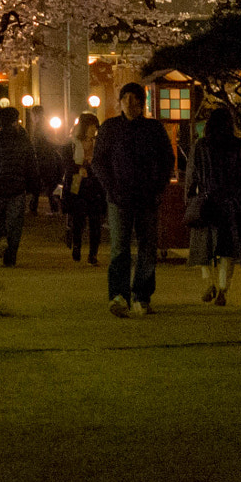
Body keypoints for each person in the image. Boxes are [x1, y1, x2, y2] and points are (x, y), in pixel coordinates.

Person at [93, 82, 177, 317]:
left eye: (134, 98)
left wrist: (157, 187)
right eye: (126, 98)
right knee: (119, 248)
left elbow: (167, 160)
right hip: (119, 198)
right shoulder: (110, 128)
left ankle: (142, 295)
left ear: (142, 102)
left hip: (147, 198)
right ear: (120, 102)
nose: (130, 102)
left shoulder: (154, 129)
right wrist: (111, 187)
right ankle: (118, 295)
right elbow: (99, 161)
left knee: (147, 247)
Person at [185, 106, 241, 306]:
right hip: (231, 204)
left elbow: (192, 176)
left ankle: (209, 283)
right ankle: (224, 288)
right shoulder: (238, 146)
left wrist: (190, 199)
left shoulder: (200, 146)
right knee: (227, 249)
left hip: (206, 201)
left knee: (202, 246)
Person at [0, 106, 39, 266]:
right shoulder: (24, 142)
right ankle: (11, 256)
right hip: (18, 187)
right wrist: (34, 189)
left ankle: (1, 238)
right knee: (15, 222)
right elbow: (32, 166)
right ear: (15, 122)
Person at [63, 113, 106, 263]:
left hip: (94, 182)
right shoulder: (73, 143)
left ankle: (93, 253)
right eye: (91, 126)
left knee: (95, 219)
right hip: (77, 181)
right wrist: (78, 168)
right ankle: (77, 246)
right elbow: (67, 163)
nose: (94, 129)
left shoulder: (98, 143)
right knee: (78, 217)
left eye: (95, 126)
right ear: (85, 127)